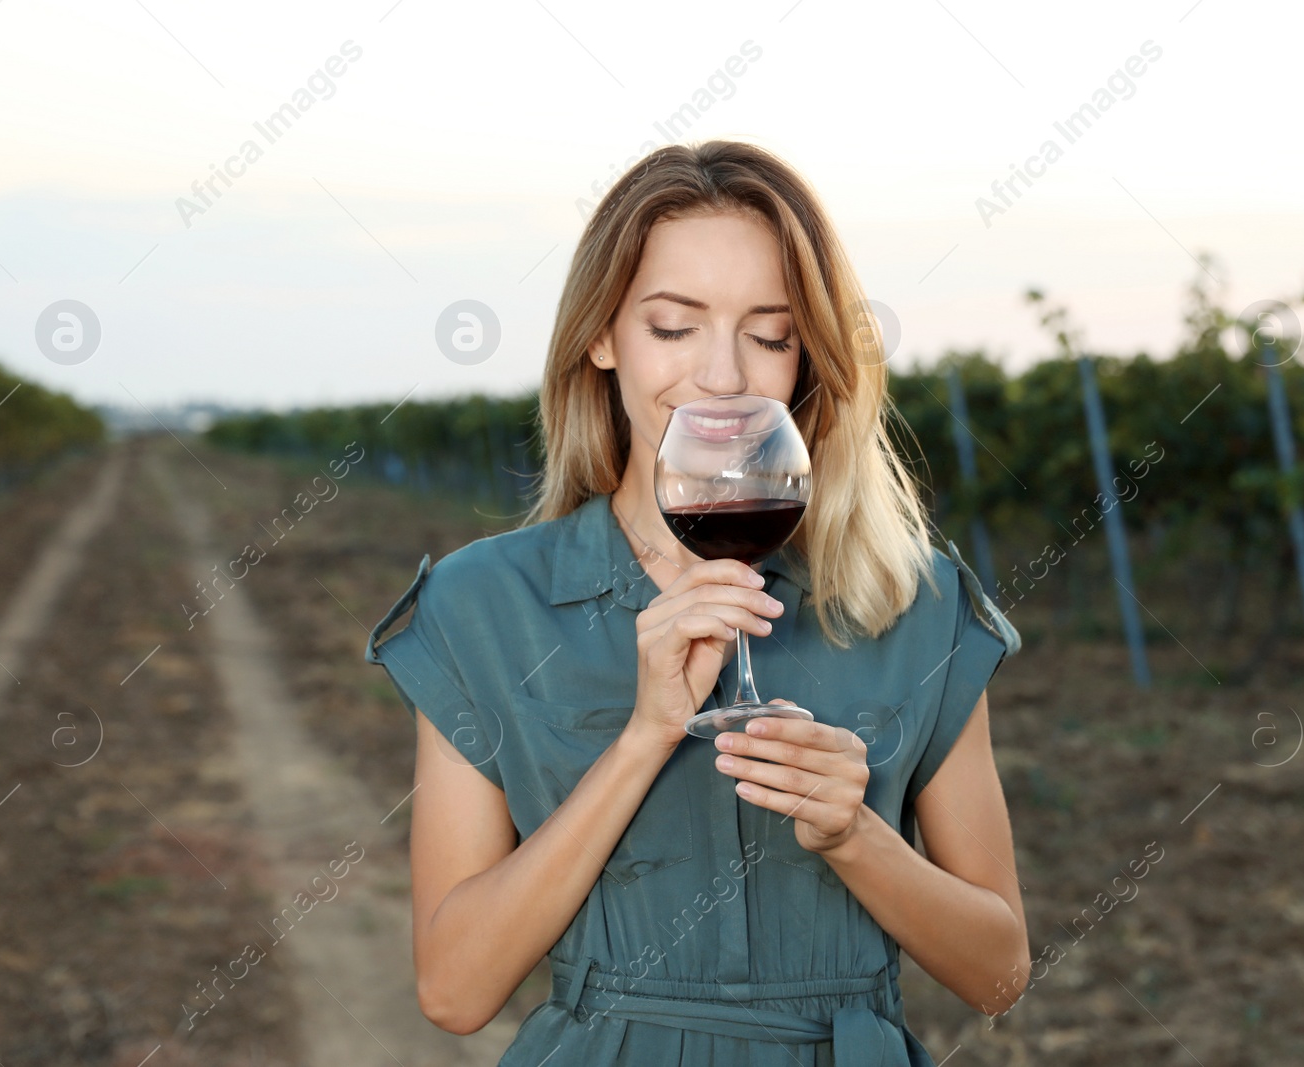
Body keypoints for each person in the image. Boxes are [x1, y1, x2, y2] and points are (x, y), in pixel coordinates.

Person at [365, 138, 1027, 1066]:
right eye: (673, 327)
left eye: (770, 334)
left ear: (809, 358)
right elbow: (456, 989)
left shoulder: (911, 604)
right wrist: (642, 738)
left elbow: (999, 975)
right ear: (601, 336)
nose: (722, 376)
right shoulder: (482, 605)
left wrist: (854, 833)